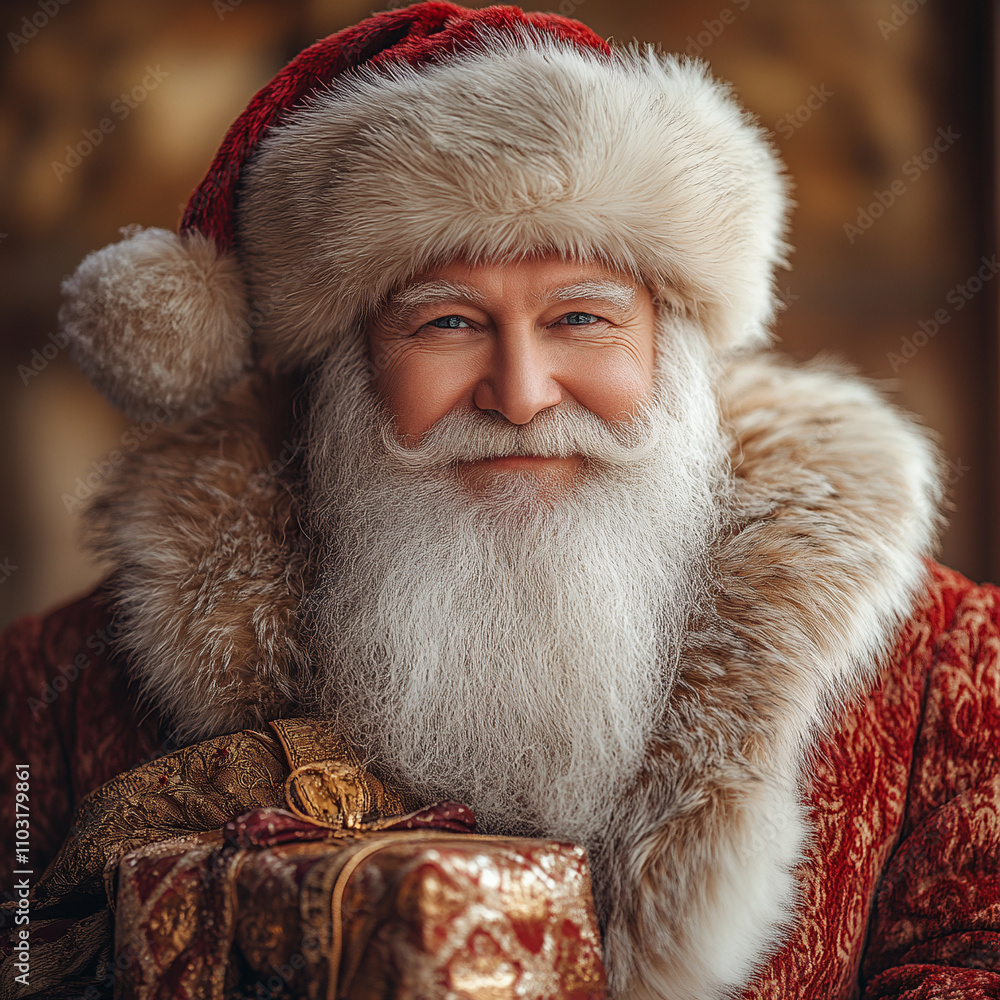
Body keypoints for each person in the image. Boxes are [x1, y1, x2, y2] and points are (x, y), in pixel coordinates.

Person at [2, 2, 999, 998]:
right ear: (338, 370)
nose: (519, 395)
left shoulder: (953, 675)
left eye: (580, 317)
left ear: (673, 343)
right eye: (445, 322)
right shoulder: (44, 699)